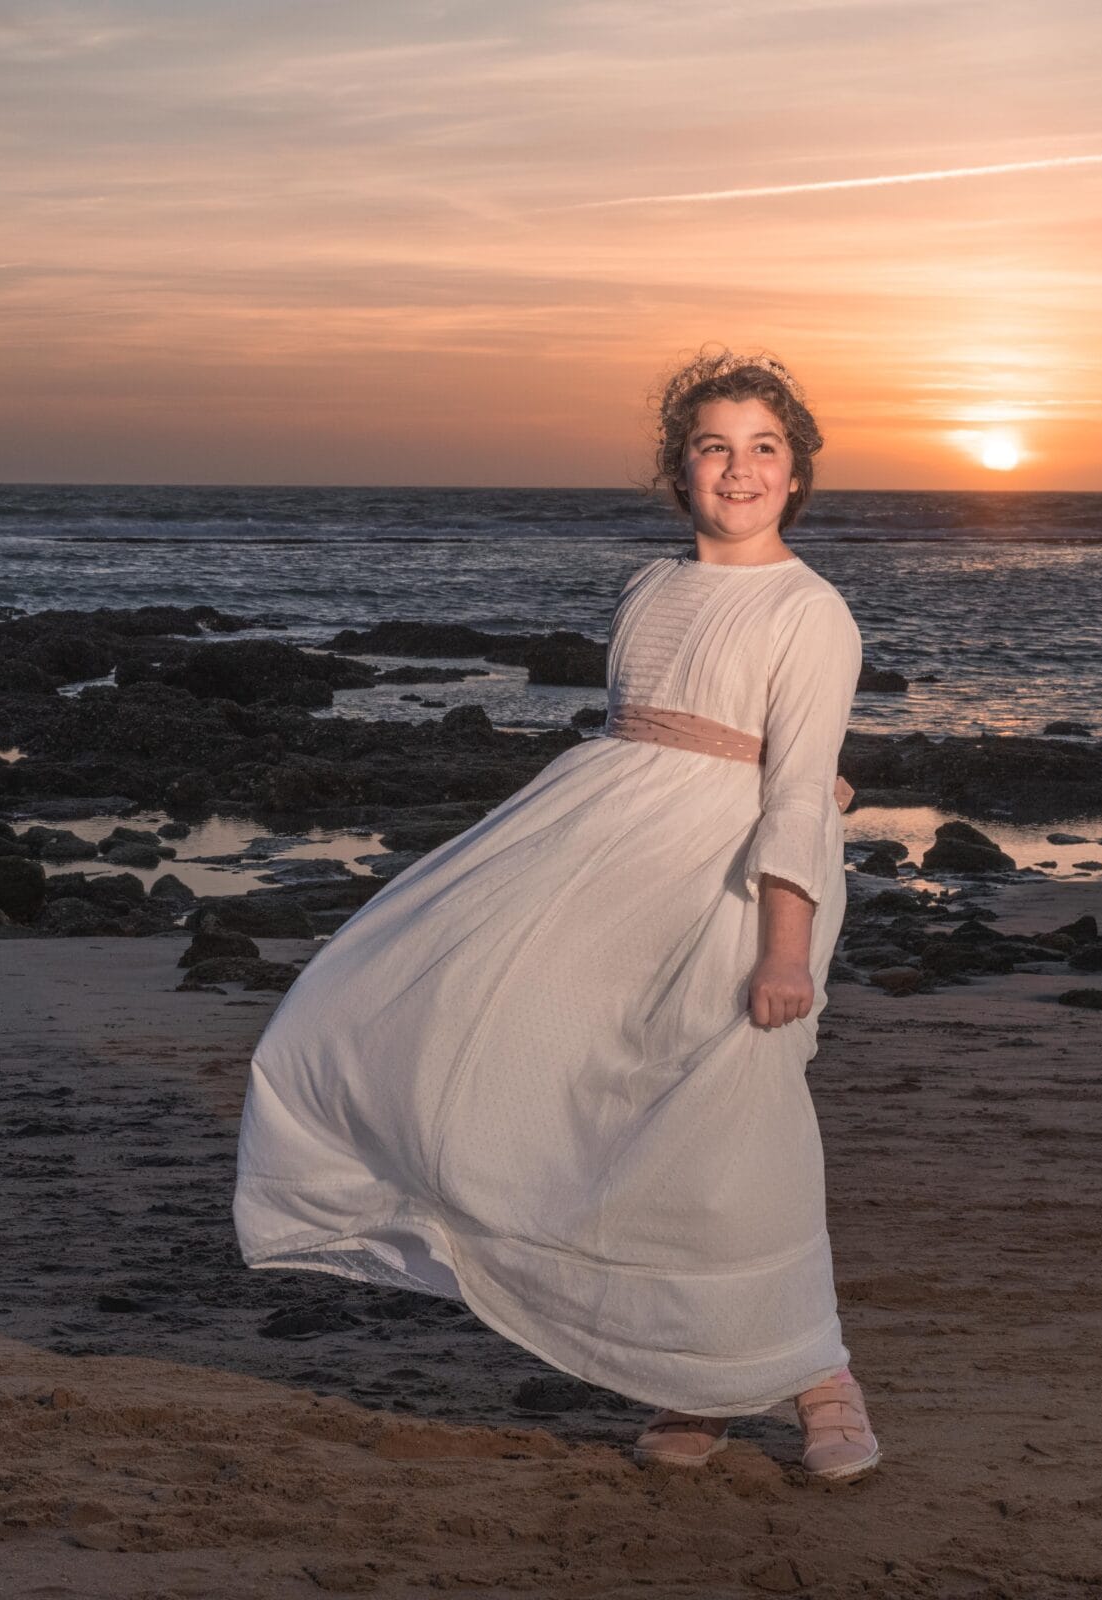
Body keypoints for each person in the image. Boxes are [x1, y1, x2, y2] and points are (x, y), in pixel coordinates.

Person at [232, 347, 880, 1482]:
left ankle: (819, 1377)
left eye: (762, 448)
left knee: (735, 1122)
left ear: (796, 474)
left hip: (732, 884)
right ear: (678, 471)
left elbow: (787, 783)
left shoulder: (809, 609)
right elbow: (659, 733)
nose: (738, 469)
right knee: (591, 1105)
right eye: (713, 447)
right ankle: (687, 1380)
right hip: (596, 858)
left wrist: (786, 945)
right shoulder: (646, 586)